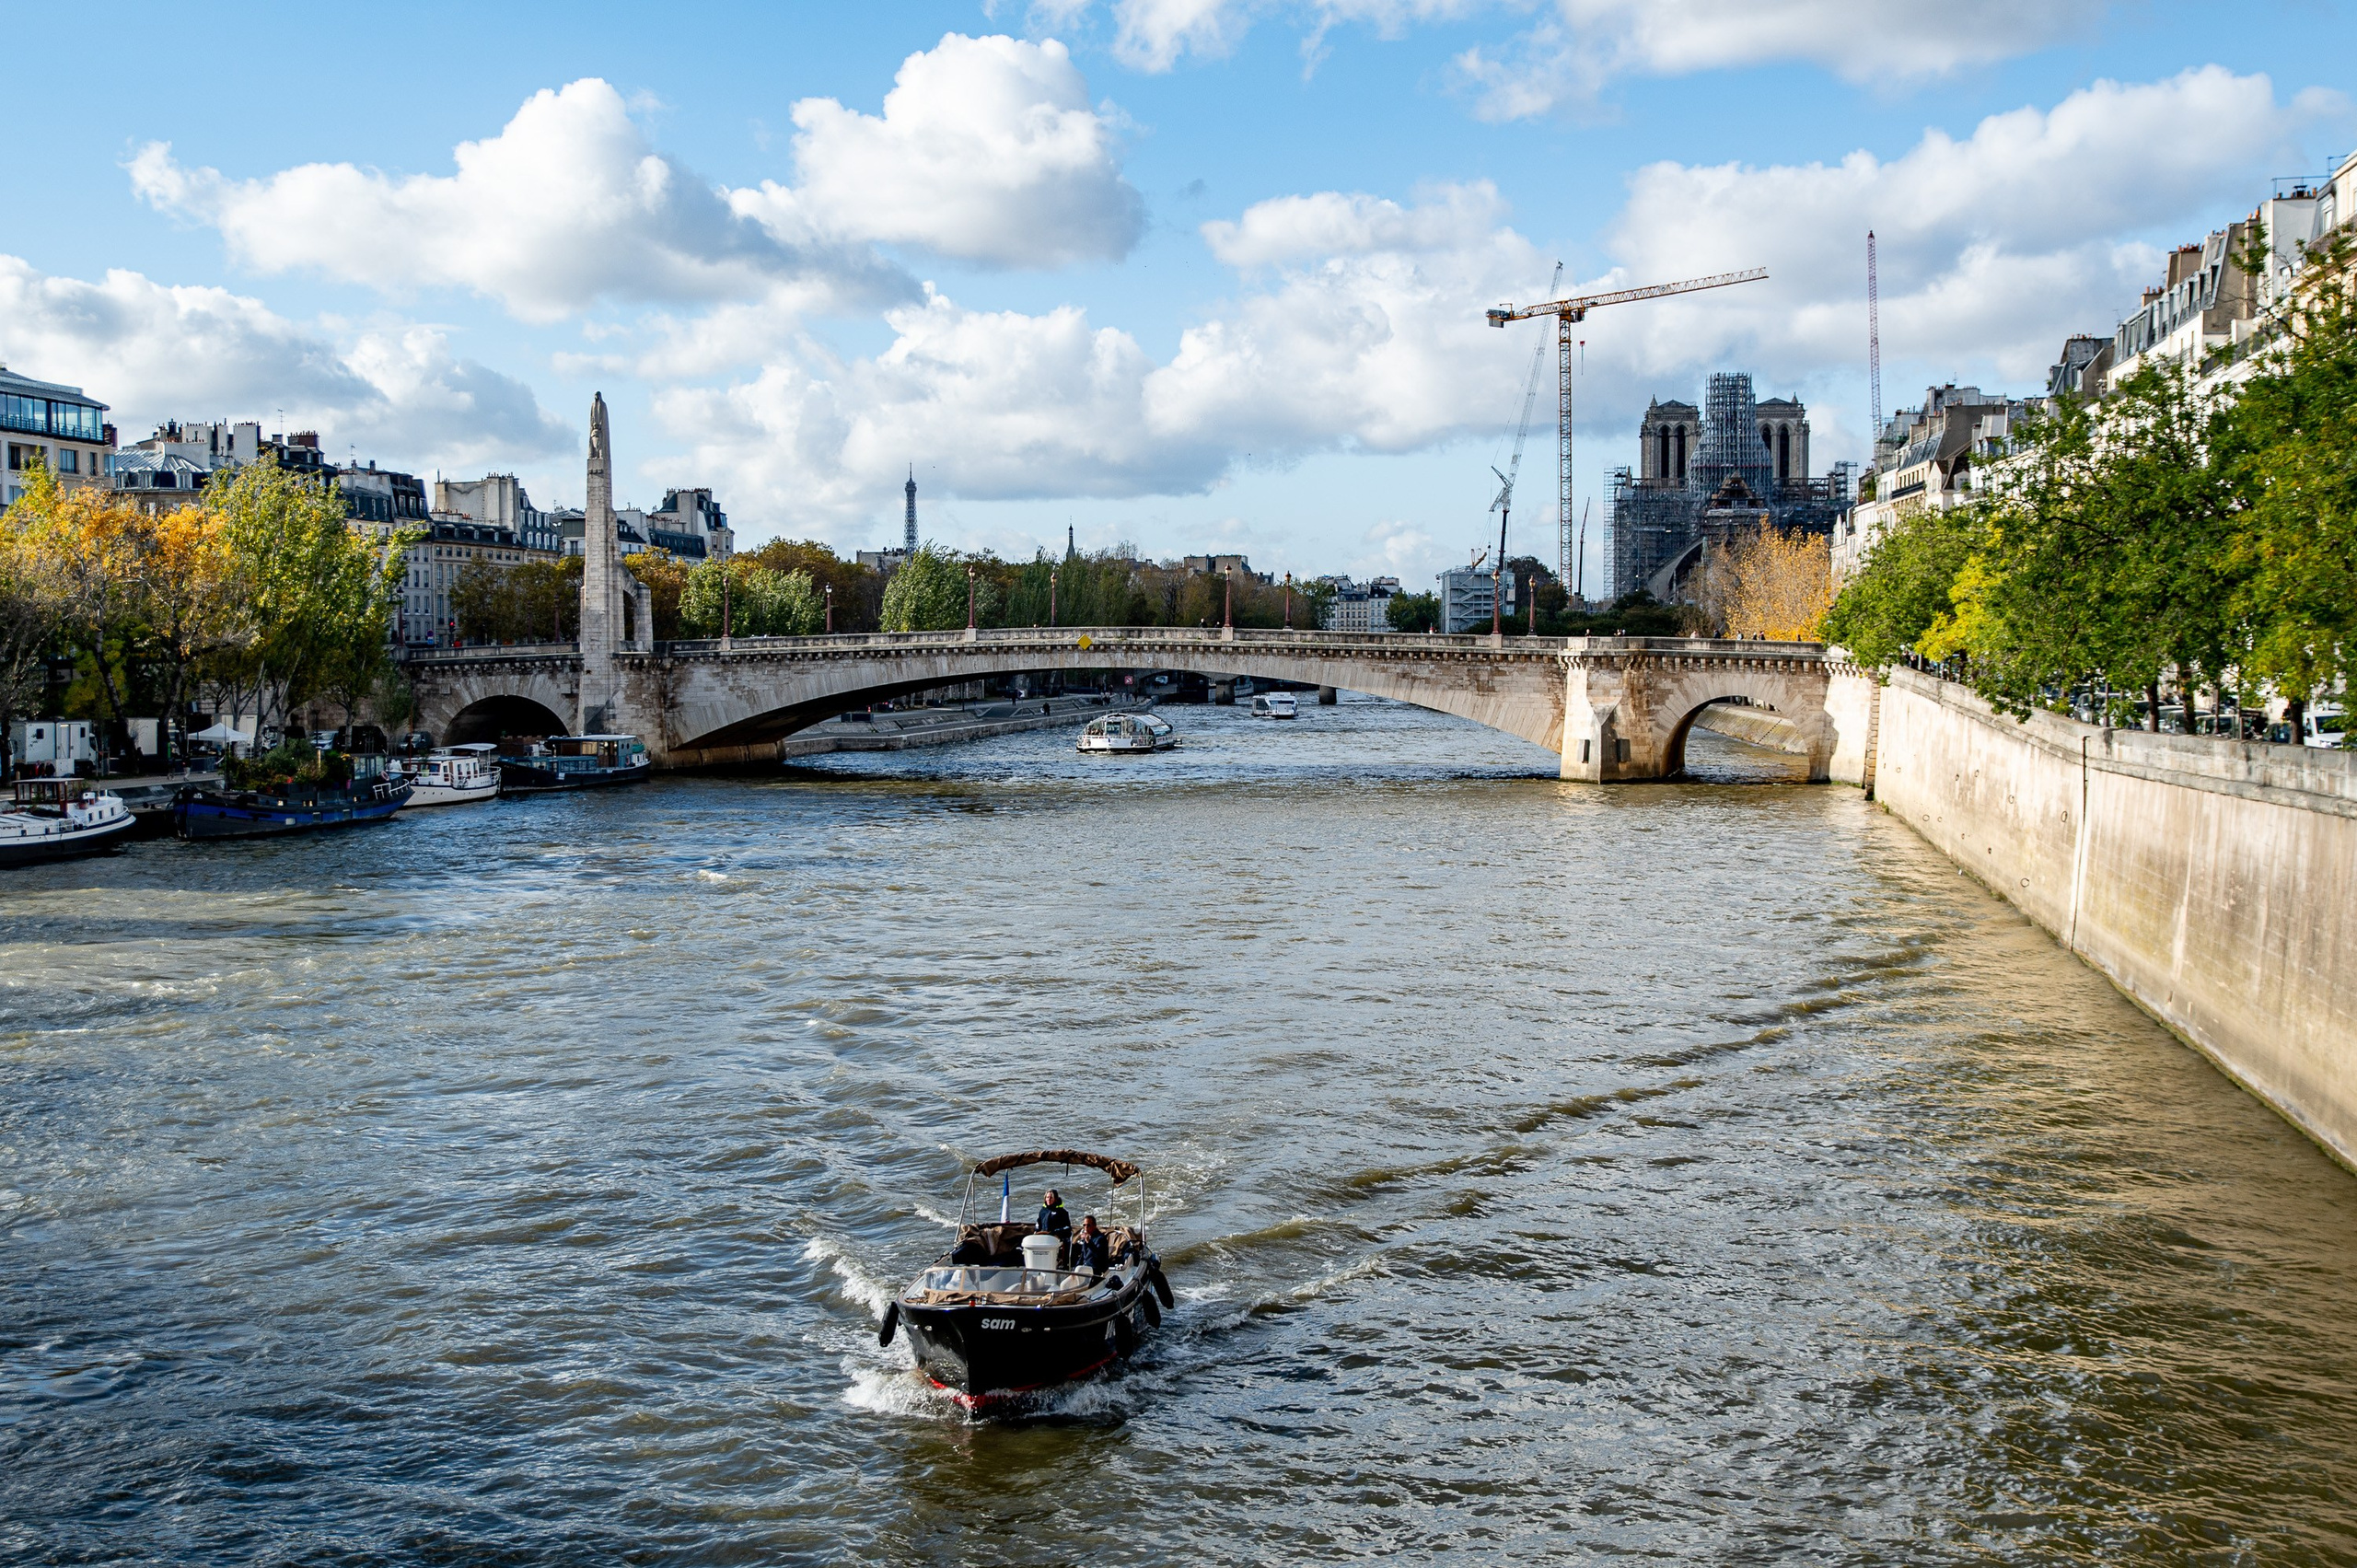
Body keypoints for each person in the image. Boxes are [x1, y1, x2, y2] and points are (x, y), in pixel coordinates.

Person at [1036, 1188, 1073, 1263]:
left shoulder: (1062, 1212)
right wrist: (1036, 1231)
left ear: (1055, 1199)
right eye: (1047, 1197)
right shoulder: (1042, 1211)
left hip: (1057, 1238)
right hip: (1043, 1238)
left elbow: (1067, 1228)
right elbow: (1038, 1223)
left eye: (1051, 1197)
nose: (1049, 1199)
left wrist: (1054, 1232)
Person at [1071, 1214, 1110, 1279]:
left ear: (1094, 1226)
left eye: (1088, 1225)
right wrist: (1074, 1269)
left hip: (1096, 1270)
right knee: (1072, 1275)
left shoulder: (1101, 1239)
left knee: (1079, 1270)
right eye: (1084, 1225)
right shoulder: (1087, 1237)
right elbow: (1082, 1257)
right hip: (1085, 1268)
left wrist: (1089, 1243)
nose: (1086, 1227)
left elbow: (1099, 1256)